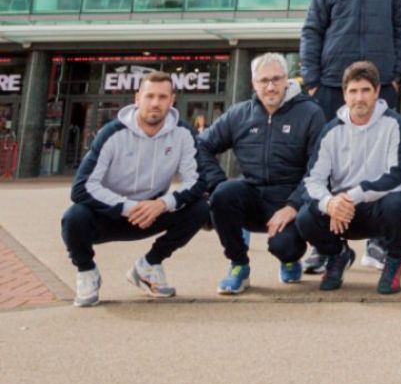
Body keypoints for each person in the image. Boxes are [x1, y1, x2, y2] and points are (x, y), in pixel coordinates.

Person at [300, 0, 401, 274]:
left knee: (382, 160)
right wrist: (312, 80)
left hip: (380, 84)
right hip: (332, 83)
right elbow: (313, 29)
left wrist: (394, 75)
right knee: (327, 163)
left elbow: (400, 29)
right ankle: (326, 244)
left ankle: (378, 241)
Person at [61, 71, 208, 307]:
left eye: (162, 97)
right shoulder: (112, 133)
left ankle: (148, 267)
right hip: (110, 214)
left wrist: (162, 203)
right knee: (73, 217)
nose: (155, 103)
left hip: (151, 214)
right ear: (137, 98)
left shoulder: (183, 133)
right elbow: (82, 187)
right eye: (150, 96)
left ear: (172, 101)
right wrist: (128, 207)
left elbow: (198, 181)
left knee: (200, 209)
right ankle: (87, 272)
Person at [197, 52, 326, 294]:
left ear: (287, 80)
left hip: (289, 200)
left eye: (277, 79)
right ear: (253, 84)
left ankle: (289, 260)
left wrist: (294, 205)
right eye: (263, 81)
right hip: (253, 195)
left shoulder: (310, 113)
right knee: (224, 194)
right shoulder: (239, 114)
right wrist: (215, 183)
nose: (270, 87)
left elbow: (318, 167)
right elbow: (202, 145)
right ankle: (238, 265)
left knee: (285, 246)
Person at [296, 61, 401, 294]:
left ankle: (393, 260)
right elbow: (312, 180)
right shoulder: (331, 131)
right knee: (305, 217)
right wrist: (330, 203)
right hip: (342, 214)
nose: (359, 98)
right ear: (344, 94)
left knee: (398, 201)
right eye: (353, 91)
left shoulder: (393, 123)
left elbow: (398, 174)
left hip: (376, 206)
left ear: (377, 91)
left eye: (366, 90)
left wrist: (351, 196)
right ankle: (337, 255)